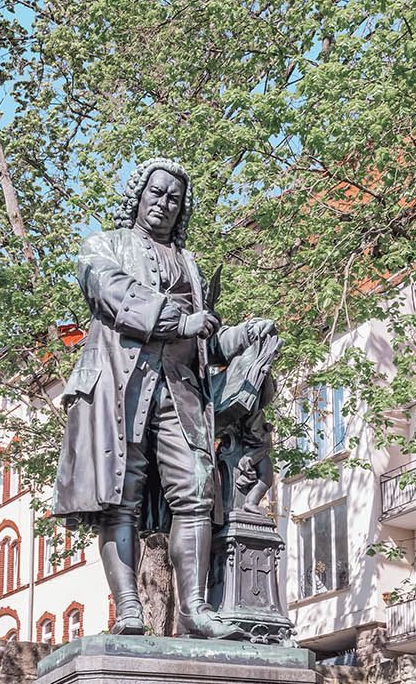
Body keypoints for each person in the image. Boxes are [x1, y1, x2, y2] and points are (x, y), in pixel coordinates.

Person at [53, 157, 276, 637]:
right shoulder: (102, 246)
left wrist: (237, 336)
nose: (164, 204)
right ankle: (129, 608)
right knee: (120, 498)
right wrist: (178, 321)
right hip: (120, 385)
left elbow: (203, 342)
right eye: (156, 194)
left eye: (174, 199)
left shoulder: (189, 264)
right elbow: (110, 292)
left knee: (197, 492)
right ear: (137, 196)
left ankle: (194, 610)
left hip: (180, 390)